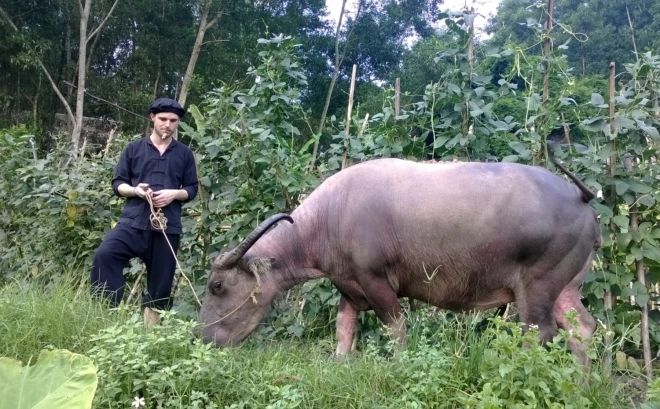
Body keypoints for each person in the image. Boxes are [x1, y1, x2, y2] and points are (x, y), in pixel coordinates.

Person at [90, 98, 198, 325]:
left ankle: (151, 335)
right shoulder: (133, 149)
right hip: (133, 222)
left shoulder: (185, 154)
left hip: (167, 226)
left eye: (173, 120)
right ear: (152, 118)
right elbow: (117, 184)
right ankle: (105, 319)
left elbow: (191, 189)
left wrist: (173, 194)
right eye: (163, 119)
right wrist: (135, 191)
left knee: (161, 284)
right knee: (105, 255)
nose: (167, 124)